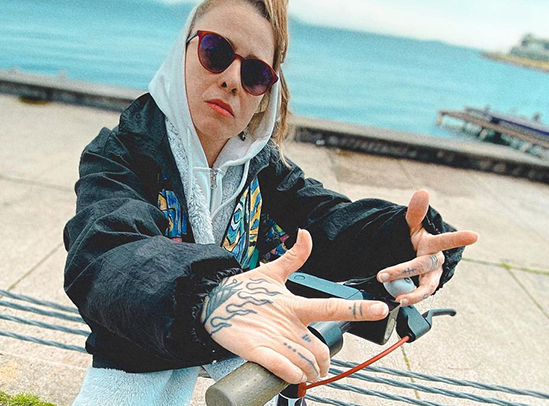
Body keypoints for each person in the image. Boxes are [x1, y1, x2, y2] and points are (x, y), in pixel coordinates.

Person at [63, 0, 478, 405]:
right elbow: (107, 249)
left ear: (265, 95)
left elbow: (329, 222)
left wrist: (405, 237)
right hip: (141, 352)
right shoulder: (120, 154)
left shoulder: (264, 170)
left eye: (255, 73)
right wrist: (211, 295)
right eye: (215, 51)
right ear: (181, 52)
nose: (231, 79)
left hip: (251, 348)